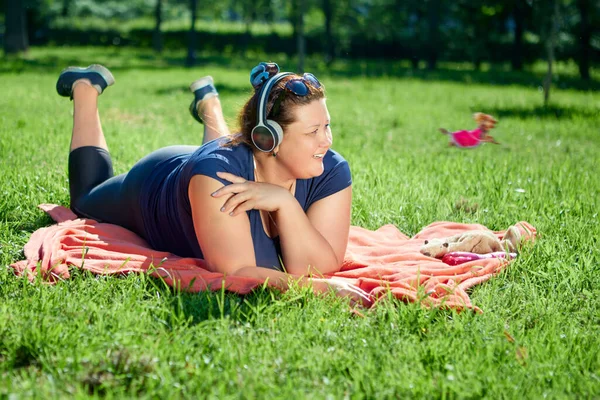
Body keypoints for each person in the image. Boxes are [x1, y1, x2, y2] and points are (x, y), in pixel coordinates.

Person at [56, 63, 371, 306]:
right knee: (85, 201)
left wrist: (285, 204)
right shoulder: (215, 177)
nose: (326, 141)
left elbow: (321, 264)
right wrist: (319, 291)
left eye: (326, 126)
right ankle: (86, 88)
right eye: (312, 131)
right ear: (267, 138)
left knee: (227, 151)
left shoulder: (330, 169)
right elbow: (236, 271)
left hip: (227, 156)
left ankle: (210, 107)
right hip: (155, 187)